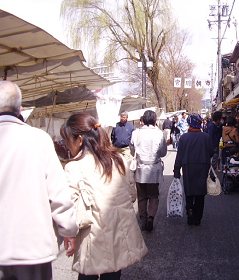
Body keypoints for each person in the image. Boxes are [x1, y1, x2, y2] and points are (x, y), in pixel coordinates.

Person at [0, 80, 78, 280]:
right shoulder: (38, 139)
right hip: (32, 250)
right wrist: (68, 229)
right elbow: (59, 194)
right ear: (21, 108)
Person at [60, 113, 148, 279]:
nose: (66, 145)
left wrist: (68, 233)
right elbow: (132, 195)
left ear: (79, 140)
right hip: (119, 233)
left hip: (92, 239)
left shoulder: (74, 167)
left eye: (67, 140)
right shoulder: (119, 159)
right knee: (114, 273)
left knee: (88, 275)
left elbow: (68, 208)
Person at [130, 110, 168, 232]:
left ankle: (143, 219)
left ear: (143, 120)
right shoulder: (159, 133)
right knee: (153, 195)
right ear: (154, 120)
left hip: (140, 168)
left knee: (142, 196)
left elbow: (132, 149)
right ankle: (151, 217)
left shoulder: (136, 133)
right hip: (154, 169)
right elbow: (163, 152)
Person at [174, 113, 213, 226]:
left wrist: (176, 171)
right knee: (200, 193)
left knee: (189, 191)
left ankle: (189, 211)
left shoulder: (184, 138)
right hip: (202, 166)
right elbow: (211, 152)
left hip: (188, 167)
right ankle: (197, 217)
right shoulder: (206, 137)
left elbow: (179, 156)